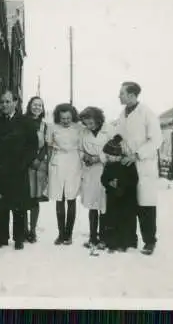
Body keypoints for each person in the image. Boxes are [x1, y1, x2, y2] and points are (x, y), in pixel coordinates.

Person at [115, 81, 163, 255]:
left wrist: (136, 155)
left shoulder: (147, 113)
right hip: (126, 165)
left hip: (143, 164)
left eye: (121, 93)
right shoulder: (122, 115)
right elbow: (118, 137)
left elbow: (156, 140)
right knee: (128, 203)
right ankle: (129, 240)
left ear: (132, 95)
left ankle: (150, 241)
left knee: (146, 205)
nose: (118, 96)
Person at [0, 91, 38, 250]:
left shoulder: (26, 122)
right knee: (1, 205)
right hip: (1, 170)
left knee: (19, 205)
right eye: (2, 102)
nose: (5, 105)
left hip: (18, 169)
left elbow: (33, 146)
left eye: (8, 101)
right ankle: (1, 238)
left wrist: (23, 164)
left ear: (16, 103)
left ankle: (19, 238)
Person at [46, 103, 83, 246]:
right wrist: (49, 166)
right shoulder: (52, 128)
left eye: (68, 118)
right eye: (63, 118)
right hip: (58, 162)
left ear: (72, 116)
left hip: (74, 163)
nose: (66, 121)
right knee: (59, 198)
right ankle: (61, 234)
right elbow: (49, 147)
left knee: (71, 198)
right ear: (58, 117)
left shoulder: (79, 128)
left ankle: (69, 234)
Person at [79, 106, 114, 250]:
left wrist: (98, 158)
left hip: (105, 170)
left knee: (104, 206)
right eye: (86, 123)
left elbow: (114, 150)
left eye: (91, 122)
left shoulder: (109, 130)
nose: (89, 126)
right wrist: (85, 157)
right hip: (90, 172)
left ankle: (104, 238)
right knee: (92, 205)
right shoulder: (83, 132)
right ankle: (92, 237)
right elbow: (79, 149)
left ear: (98, 119)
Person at [100, 135, 139, 252]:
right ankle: (112, 243)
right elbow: (103, 179)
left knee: (126, 221)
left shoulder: (127, 164)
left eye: (108, 156)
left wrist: (121, 184)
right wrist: (109, 183)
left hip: (126, 199)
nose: (106, 158)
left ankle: (126, 243)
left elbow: (134, 180)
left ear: (117, 155)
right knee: (112, 221)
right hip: (113, 199)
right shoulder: (108, 165)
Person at [24, 96, 49, 243]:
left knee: (35, 199)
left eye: (40, 105)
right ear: (29, 106)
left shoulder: (44, 125)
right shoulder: (23, 121)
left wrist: (38, 159)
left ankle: (32, 230)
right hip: (24, 164)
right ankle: (23, 230)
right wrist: (27, 160)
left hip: (38, 165)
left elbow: (45, 145)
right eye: (34, 105)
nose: (37, 107)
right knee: (24, 197)